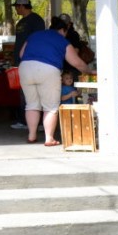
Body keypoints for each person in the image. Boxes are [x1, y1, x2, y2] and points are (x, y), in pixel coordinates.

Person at [19, 16, 89, 146]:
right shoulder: (62, 40)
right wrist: (89, 71)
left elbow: (21, 54)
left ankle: (32, 136)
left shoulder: (35, 35)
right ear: (63, 30)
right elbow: (76, 63)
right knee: (50, 107)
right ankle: (49, 138)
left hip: (25, 68)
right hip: (48, 69)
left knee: (32, 104)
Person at [10, 0, 45, 130]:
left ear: (22, 6)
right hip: (21, 61)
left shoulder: (36, 20)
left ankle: (39, 122)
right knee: (23, 91)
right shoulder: (20, 23)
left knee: (35, 90)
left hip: (33, 60)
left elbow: (38, 40)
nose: (16, 9)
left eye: (17, 7)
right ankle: (24, 120)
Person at [58, 13, 82, 77]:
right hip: (56, 68)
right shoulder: (52, 34)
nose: (63, 26)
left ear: (69, 24)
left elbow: (75, 52)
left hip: (70, 69)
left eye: (65, 24)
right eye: (60, 24)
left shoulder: (74, 35)